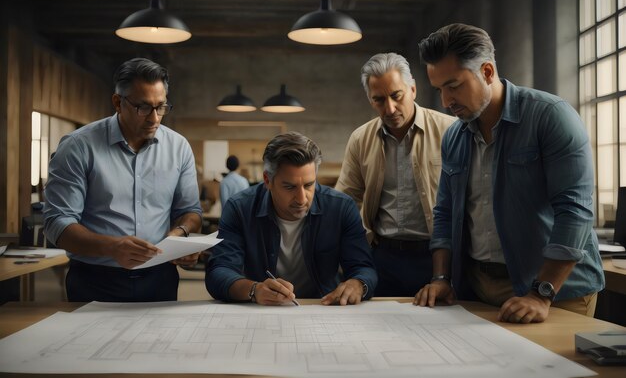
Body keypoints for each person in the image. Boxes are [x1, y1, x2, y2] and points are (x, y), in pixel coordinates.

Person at [414, 23, 604, 323]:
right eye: (439, 89)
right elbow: (445, 213)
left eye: (453, 85)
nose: (445, 101)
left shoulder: (551, 116)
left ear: (487, 72)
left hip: (556, 292)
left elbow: (575, 211)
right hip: (479, 290)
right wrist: (441, 277)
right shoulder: (454, 137)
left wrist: (541, 293)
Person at [44, 58, 203, 302]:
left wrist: (180, 235)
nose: (154, 118)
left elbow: (190, 211)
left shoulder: (178, 147)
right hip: (95, 280)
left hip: (160, 278)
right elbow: (57, 223)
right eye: (143, 107)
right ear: (118, 102)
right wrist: (110, 247)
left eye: (160, 107)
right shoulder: (78, 147)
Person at [206, 131, 377, 305]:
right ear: (267, 180)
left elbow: (363, 268)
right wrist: (254, 290)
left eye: (309, 185)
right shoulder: (239, 209)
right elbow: (219, 272)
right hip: (262, 310)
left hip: (323, 309)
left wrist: (358, 283)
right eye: (289, 187)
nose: (302, 199)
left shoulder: (341, 208)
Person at [335, 53, 455, 297]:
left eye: (396, 96)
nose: (389, 108)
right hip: (383, 257)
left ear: (412, 89)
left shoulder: (450, 131)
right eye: (379, 100)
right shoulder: (360, 139)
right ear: (370, 100)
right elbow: (344, 203)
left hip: (439, 256)